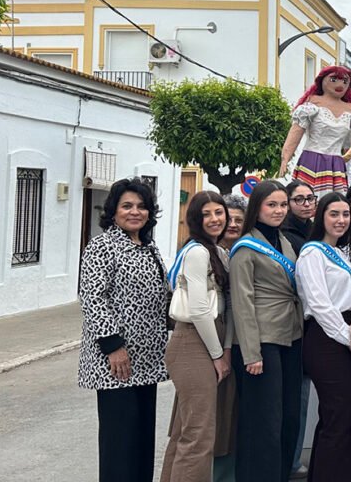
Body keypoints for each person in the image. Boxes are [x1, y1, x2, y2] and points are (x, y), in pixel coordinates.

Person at [77, 177, 169, 482]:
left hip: (148, 360)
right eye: (127, 206)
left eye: (142, 206)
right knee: (120, 442)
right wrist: (113, 346)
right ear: (113, 211)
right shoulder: (102, 246)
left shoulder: (149, 247)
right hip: (116, 362)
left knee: (143, 439)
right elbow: (92, 297)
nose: (135, 212)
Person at [229, 180, 304, 482]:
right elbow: (242, 304)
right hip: (262, 343)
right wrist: (251, 353)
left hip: (292, 335)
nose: (278, 210)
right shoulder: (245, 247)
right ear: (257, 207)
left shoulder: (284, 242)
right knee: (264, 424)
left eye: (283, 204)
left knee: (288, 418)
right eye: (271, 204)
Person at [296, 192, 351, 482]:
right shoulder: (312, 253)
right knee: (338, 420)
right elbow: (319, 304)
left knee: (337, 418)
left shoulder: (344, 253)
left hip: (349, 334)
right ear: (321, 217)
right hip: (328, 339)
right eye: (334, 214)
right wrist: (347, 338)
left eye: (345, 215)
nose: (341, 220)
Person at [162, 192, 233, 482]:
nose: (215, 219)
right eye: (207, 214)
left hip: (207, 340)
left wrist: (223, 349)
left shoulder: (218, 251)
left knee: (184, 432)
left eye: (219, 212)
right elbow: (200, 309)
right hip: (194, 341)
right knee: (199, 436)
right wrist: (218, 354)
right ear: (195, 219)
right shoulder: (197, 252)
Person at [279, 66, 351, 196]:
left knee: (335, 203)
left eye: (345, 81)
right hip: (311, 160)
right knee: (306, 198)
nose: (340, 84)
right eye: (333, 79)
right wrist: (285, 158)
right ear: (322, 80)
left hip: (336, 165)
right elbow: (296, 132)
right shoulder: (313, 103)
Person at [279, 180, 316, 479]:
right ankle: (289, 461)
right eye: (298, 199)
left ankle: (291, 459)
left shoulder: (312, 231)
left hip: (308, 328)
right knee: (295, 399)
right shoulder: (288, 237)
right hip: (293, 327)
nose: (305, 203)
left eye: (309, 198)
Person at [214, 194, 247, 482]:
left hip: (240, 344)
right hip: (215, 344)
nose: (233, 224)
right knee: (217, 416)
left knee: (235, 415)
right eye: (229, 218)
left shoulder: (244, 252)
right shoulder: (208, 252)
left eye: (239, 219)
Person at [282, 180, 317, 256]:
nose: (307, 204)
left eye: (310, 198)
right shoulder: (283, 233)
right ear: (287, 203)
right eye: (299, 199)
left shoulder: (316, 228)